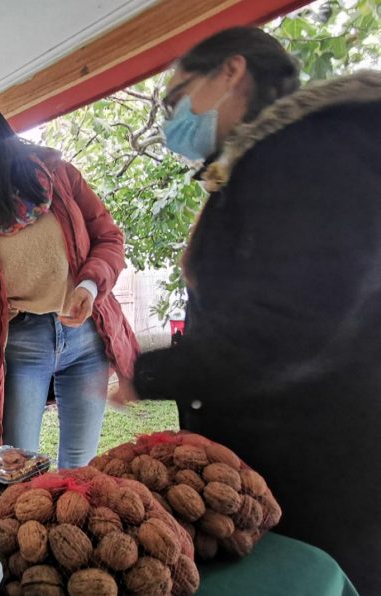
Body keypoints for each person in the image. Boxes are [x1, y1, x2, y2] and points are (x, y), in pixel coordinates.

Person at [119, 27, 381, 593]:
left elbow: (292, 323)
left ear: (231, 72)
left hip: (320, 465)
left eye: (177, 96)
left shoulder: (306, 155)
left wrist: (151, 370)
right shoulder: (262, 162)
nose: (172, 119)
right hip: (288, 455)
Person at [0, 91, 139, 469]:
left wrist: (89, 285)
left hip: (85, 337)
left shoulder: (58, 175)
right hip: (22, 342)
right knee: (16, 463)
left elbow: (110, 238)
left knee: (79, 462)